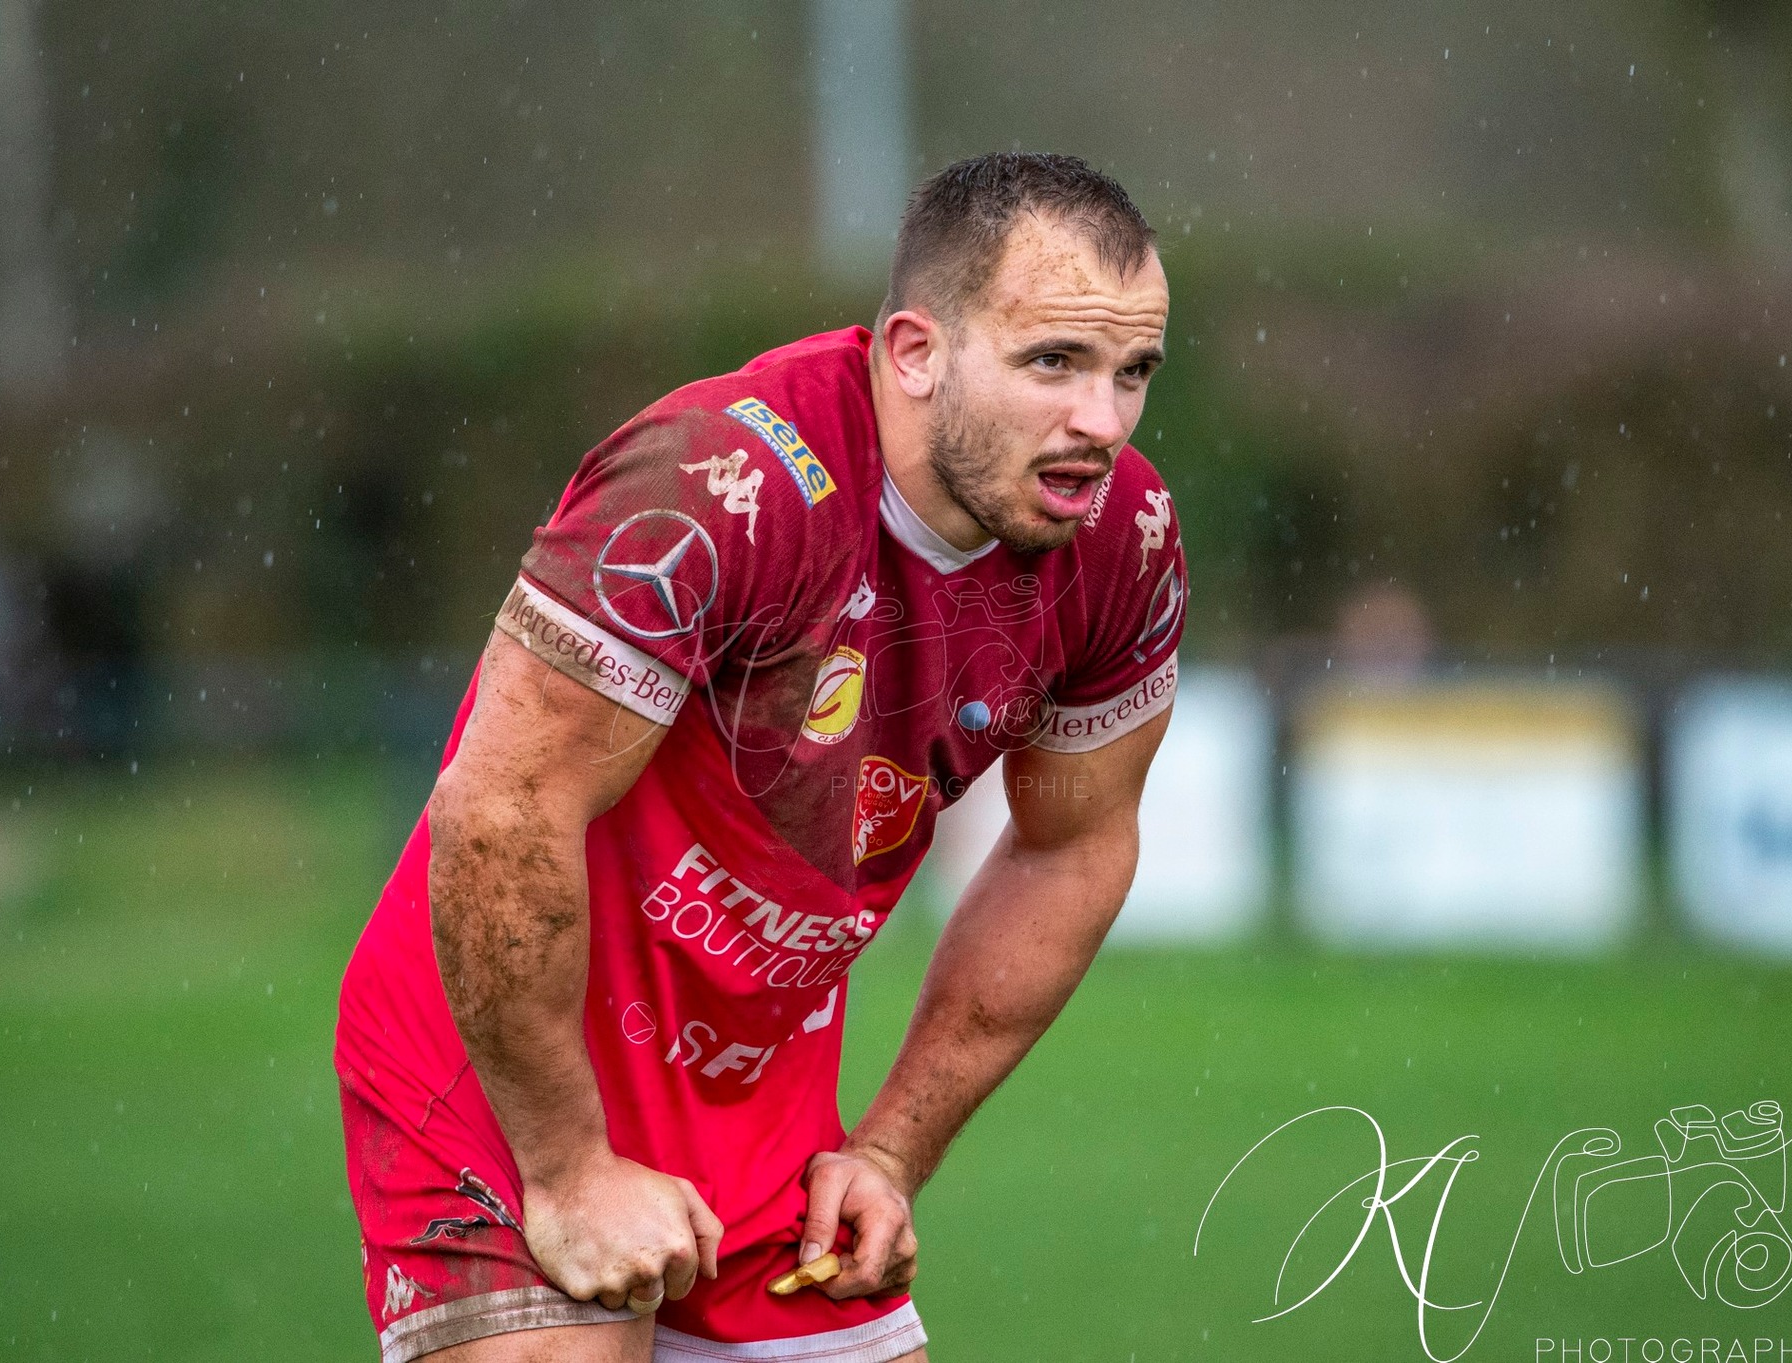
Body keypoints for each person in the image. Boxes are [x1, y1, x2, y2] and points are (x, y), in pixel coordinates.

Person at [335, 151, 1187, 1363]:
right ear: (913, 352)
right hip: (498, 1066)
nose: (1099, 423)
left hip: (755, 1105)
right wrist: (569, 1167)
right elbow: (502, 807)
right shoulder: (715, 484)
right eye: (1052, 361)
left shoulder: (1121, 543)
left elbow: (1072, 849)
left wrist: (888, 1149)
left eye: (1131, 372)